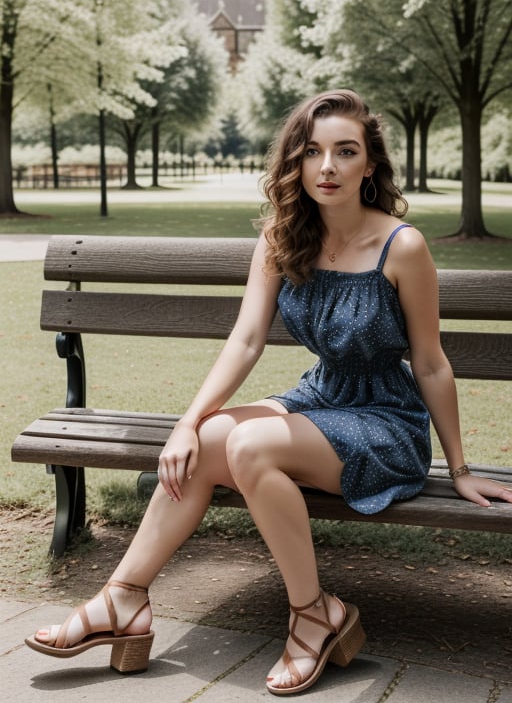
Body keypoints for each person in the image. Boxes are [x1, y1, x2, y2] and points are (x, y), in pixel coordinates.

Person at [26, 89, 512, 695]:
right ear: (296, 161)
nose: (327, 167)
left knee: (252, 446)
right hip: (320, 397)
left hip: (386, 420)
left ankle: (315, 614)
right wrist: (186, 423)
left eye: (345, 151)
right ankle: (123, 599)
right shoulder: (284, 236)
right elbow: (246, 339)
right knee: (206, 441)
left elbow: (432, 364)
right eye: (312, 151)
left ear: (370, 165)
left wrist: (458, 467)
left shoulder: (402, 245)